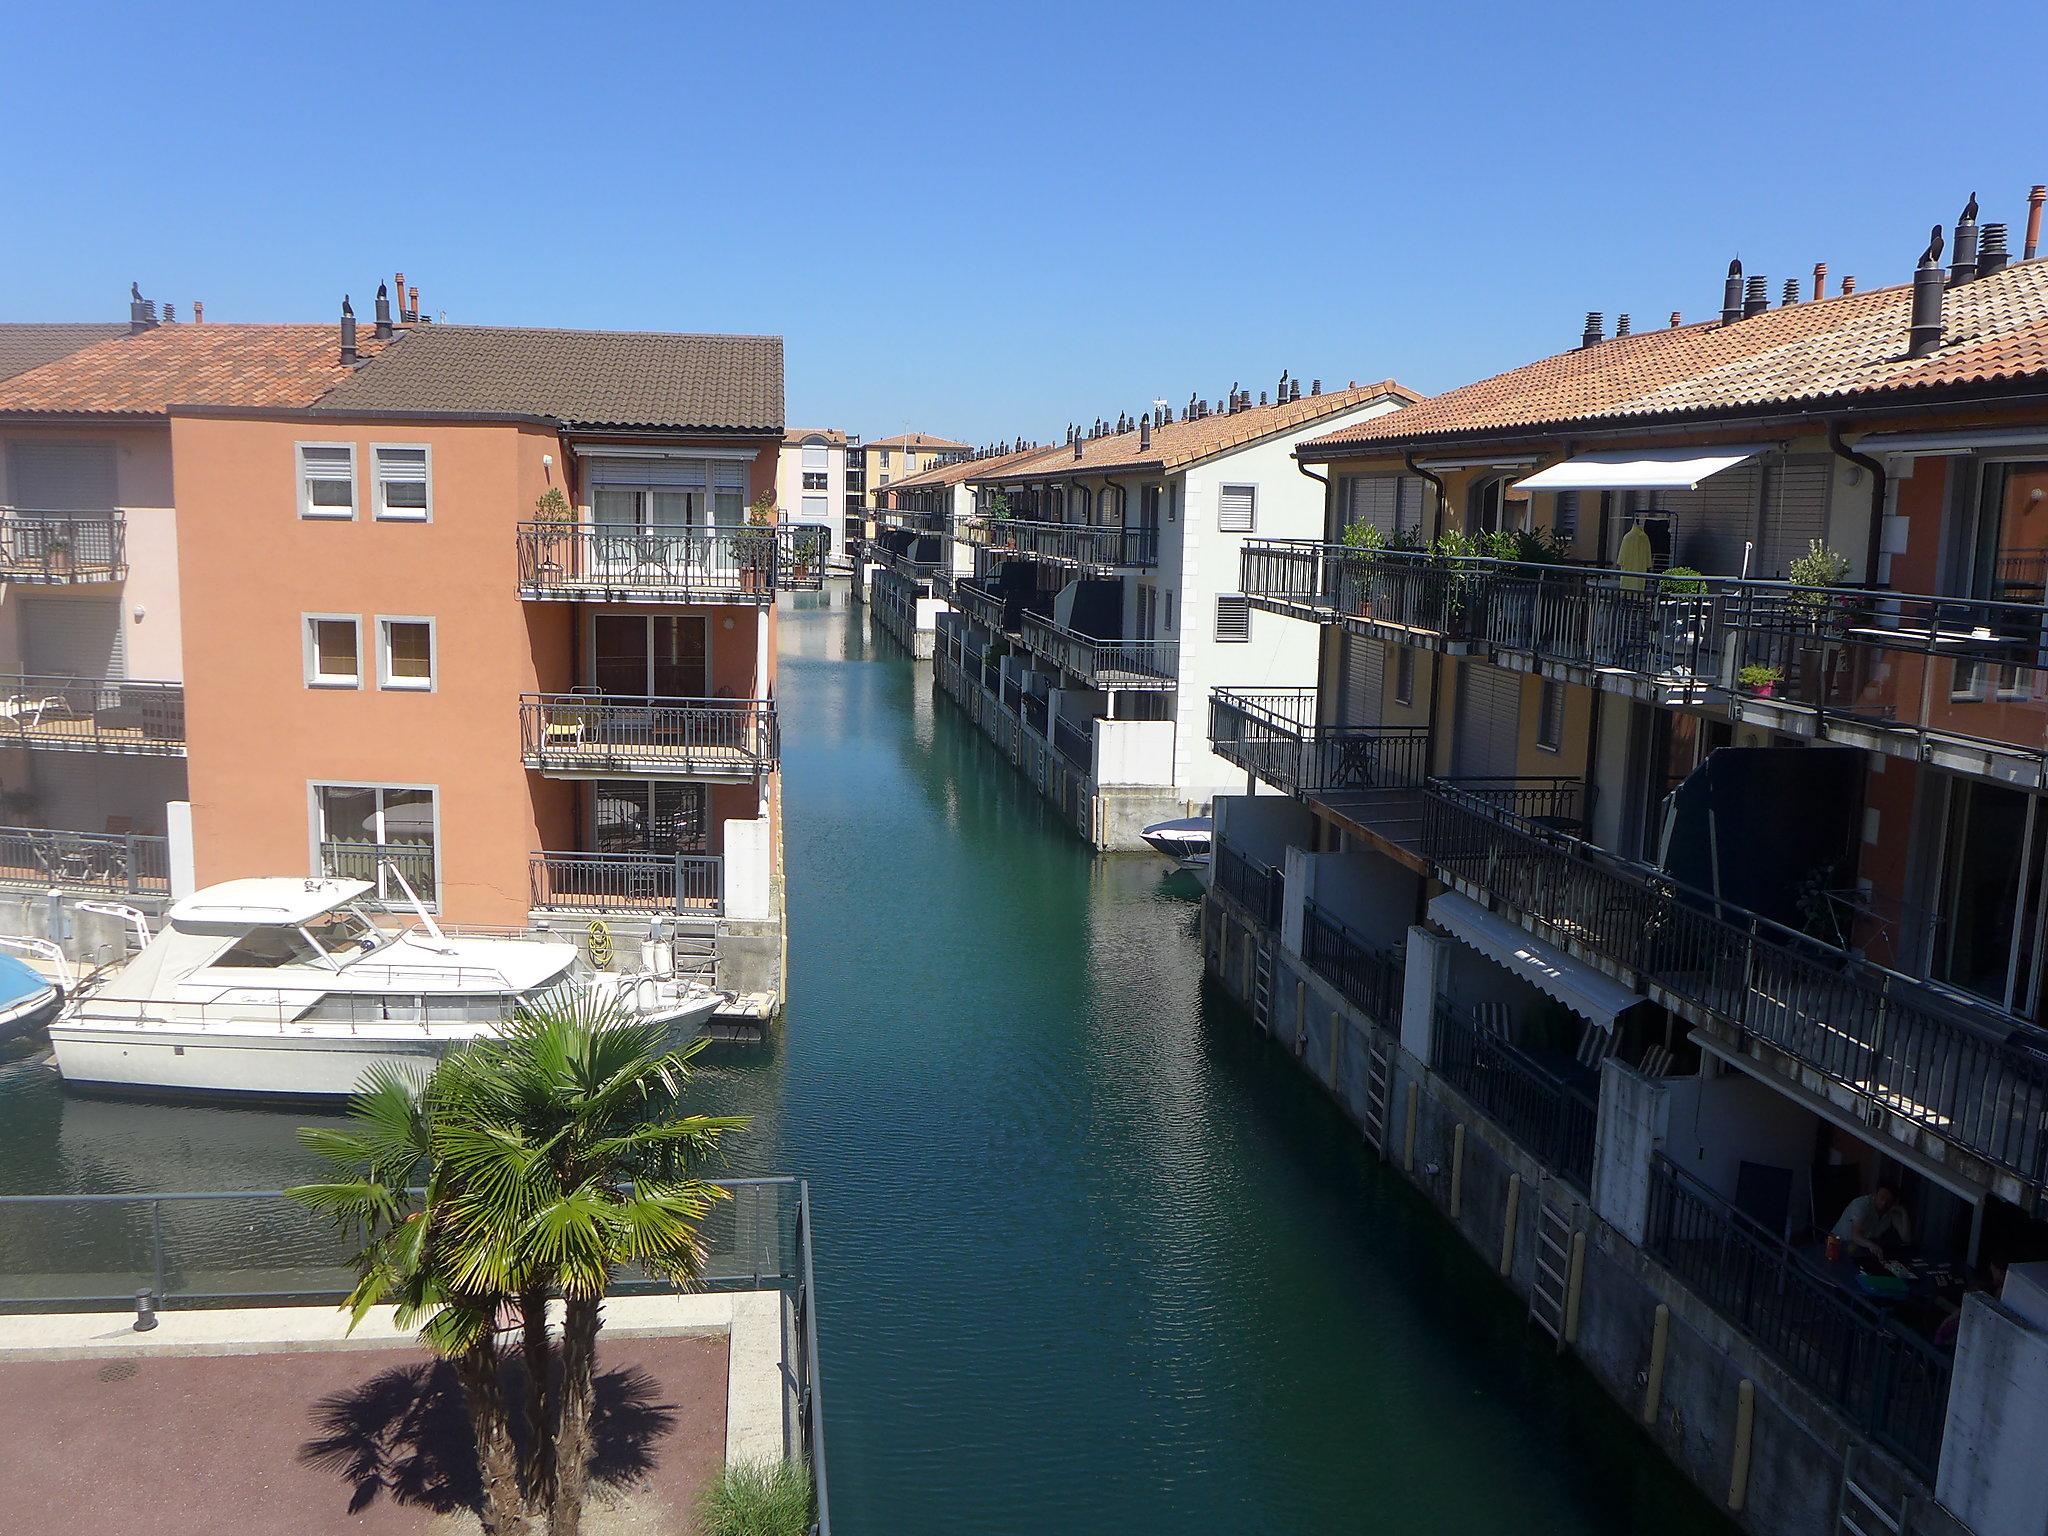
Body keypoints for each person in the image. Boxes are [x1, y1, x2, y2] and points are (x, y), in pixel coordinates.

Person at [1832, 1184, 1912, 1259]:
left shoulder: (1891, 1212)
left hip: (1859, 1249)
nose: (1884, 1203)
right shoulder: (1862, 1205)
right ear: (1875, 1194)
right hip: (1838, 1244)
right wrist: (1872, 1245)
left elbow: (1906, 1238)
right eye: (1882, 1197)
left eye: (1888, 1201)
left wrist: (1903, 1212)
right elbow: (1855, 1235)